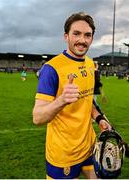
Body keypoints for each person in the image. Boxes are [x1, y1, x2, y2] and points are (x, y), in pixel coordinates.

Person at [32, 12, 111, 179]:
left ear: (91, 38)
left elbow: (88, 100)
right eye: (76, 34)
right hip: (63, 154)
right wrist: (61, 100)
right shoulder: (51, 69)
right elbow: (37, 117)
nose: (82, 40)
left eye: (87, 35)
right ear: (66, 36)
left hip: (89, 146)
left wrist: (99, 118)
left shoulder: (90, 64)